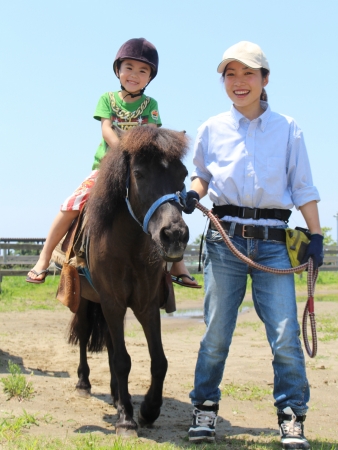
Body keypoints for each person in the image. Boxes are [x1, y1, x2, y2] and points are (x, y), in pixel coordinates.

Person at [183, 41, 323, 449]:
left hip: (274, 244)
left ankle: (292, 417)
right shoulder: (211, 128)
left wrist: (315, 236)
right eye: (230, 74)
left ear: (265, 80)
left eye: (248, 74)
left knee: (283, 334)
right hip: (224, 241)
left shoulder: (289, 128)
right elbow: (202, 175)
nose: (239, 82)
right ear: (223, 81)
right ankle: (205, 409)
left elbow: (303, 188)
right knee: (216, 332)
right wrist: (194, 192)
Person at [26, 38, 199, 288]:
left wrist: (139, 158)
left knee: (171, 202)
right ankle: (44, 258)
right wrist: (125, 153)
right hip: (107, 168)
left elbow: (150, 135)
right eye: (129, 67)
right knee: (71, 205)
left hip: (141, 171)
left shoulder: (151, 105)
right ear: (118, 70)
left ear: (150, 77)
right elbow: (106, 129)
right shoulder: (107, 99)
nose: (134, 75)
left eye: (143, 70)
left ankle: (177, 264)